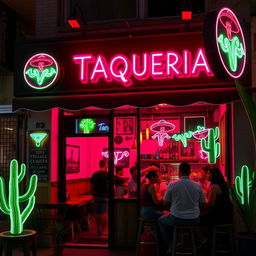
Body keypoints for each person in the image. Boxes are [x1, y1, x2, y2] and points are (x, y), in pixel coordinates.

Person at [158, 162, 206, 252]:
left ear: (179, 172)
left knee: (161, 220)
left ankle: (172, 244)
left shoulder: (172, 185)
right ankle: (194, 243)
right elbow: (203, 204)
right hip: (194, 220)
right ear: (190, 172)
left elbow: (165, 203)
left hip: (177, 219)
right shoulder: (198, 186)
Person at [90, 160, 108, 235]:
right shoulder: (107, 175)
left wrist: (93, 194)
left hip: (96, 196)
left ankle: (98, 229)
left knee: (97, 214)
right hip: (105, 196)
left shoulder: (94, 174)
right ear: (105, 165)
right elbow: (112, 187)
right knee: (104, 214)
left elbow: (91, 186)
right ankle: (103, 230)